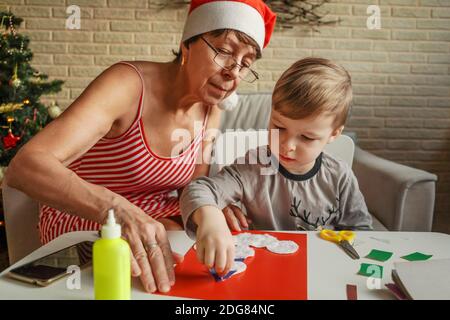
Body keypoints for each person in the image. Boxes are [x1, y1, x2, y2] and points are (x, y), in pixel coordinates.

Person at [4, 0, 276, 293]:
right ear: (187, 45)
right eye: (224, 52)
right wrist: (117, 210)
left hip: (156, 214)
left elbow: (193, 185)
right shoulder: (127, 85)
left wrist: (209, 207)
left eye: (245, 64)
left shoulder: (212, 107)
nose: (233, 73)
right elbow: (25, 166)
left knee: (209, 261)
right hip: (86, 215)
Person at [180, 57, 374, 275]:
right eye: (279, 127)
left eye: (307, 138)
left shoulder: (340, 176)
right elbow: (198, 189)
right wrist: (211, 218)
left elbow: (362, 233)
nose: (287, 145)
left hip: (322, 272)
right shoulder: (252, 166)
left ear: (334, 134)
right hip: (263, 272)